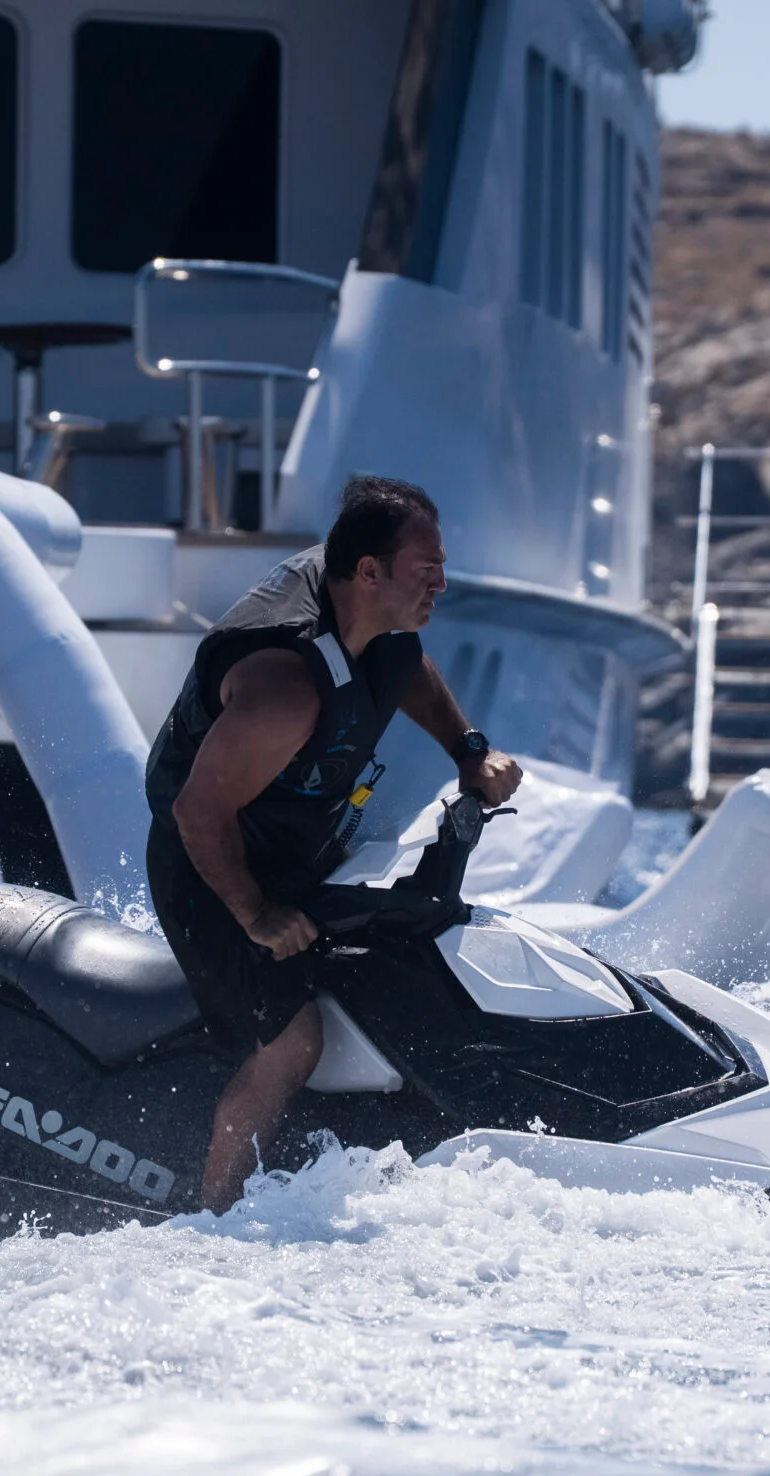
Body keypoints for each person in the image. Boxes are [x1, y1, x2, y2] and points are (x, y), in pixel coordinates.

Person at [145, 475, 523, 1212]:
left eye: (442, 565)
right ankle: (210, 1216)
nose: (443, 584)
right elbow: (197, 813)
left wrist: (468, 748)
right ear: (369, 571)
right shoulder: (284, 690)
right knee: (294, 1042)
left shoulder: (373, 616)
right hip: (214, 868)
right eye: (427, 570)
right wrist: (256, 915)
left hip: (294, 850)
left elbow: (407, 669)